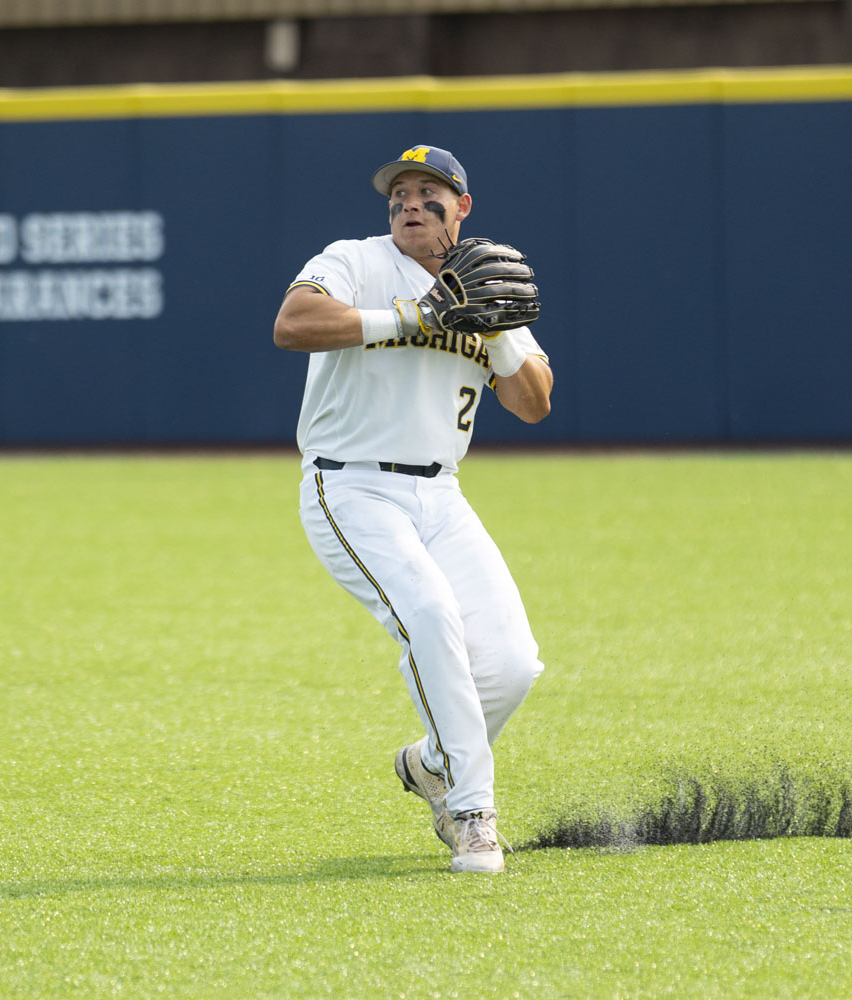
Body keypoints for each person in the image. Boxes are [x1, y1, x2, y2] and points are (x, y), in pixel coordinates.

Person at [273, 144, 554, 873]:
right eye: (399, 191)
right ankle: (472, 813)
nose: (409, 201)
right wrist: (408, 317)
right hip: (351, 484)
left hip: (442, 493)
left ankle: (432, 763)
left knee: (514, 666)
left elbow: (534, 402)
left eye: (430, 191)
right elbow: (294, 323)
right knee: (430, 617)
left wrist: (495, 336)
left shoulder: (479, 279)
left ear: (462, 208)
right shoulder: (356, 259)